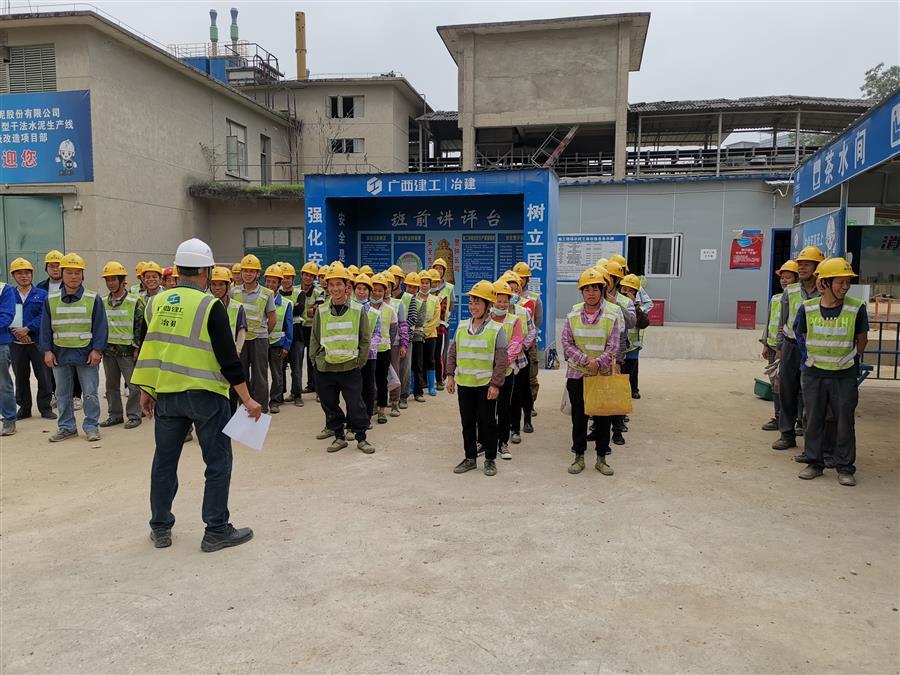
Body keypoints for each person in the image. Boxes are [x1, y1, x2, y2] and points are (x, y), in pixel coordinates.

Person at [132, 238, 261, 552]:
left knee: (164, 463)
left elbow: (152, 348)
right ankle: (216, 530)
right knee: (217, 462)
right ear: (206, 271)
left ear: (177, 269)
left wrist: (147, 390)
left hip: (167, 395)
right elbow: (229, 359)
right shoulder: (210, 306)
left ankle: (160, 527)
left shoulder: (155, 303)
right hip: (206, 396)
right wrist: (247, 399)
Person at [793, 257, 867, 487]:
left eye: (848, 282)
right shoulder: (808, 308)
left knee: (845, 422)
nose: (845, 287)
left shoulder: (857, 308)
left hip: (843, 375)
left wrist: (845, 360)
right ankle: (814, 463)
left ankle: (845, 467)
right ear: (824, 283)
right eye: (840, 282)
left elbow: (861, 341)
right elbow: (802, 336)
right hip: (815, 374)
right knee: (813, 420)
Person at [39, 253, 108, 442]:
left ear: (83, 275)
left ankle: (91, 426)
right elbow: (45, 327)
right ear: (62, 274)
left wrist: (97, 350)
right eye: (69, 272)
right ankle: (66, 427)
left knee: (90, 394)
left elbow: (101, 327)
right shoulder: (50, 299)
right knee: (62, 394)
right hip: (60, 354)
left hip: (86, 354)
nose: (74, 276)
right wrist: (47, 351)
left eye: (77, 272)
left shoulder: (93, 298)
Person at [309, 262, 376, 454]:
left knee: (356, 405)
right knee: (329, 404)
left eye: (339, 284)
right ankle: (339, 436)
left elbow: (365, 338)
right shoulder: (321, 310)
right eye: (331, 285)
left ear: (347, 286)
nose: (335, 288)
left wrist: (360, 361)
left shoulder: (358, 309)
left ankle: (361, 437)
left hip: (350, 367)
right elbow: (314, 338)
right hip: (326, 368)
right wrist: (315, 360)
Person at [562, 267, 622, 476]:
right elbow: (566, 343)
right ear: (582, 292)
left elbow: (614, 345)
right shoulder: (572, 315)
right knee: (579, 418)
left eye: (595, 289)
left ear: (602, 290)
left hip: (601, 375)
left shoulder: (612, 316)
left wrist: (599, 362)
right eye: (587, 289)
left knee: (603, 418)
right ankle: (579, 456)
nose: (591, 293)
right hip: (577, 374)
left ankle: (601, 458)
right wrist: (586, 360)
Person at [445, 280, 507, 476]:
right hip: (465, 384)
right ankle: (470, 457)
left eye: (477, 303)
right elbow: (453, 352)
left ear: (488, 306)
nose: (473, 307)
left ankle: (490, 459)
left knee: (488, 422)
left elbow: (501, 361)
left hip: (485, 385)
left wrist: (496, 385)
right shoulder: (462, 326)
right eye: (471, 302)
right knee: (467, 422)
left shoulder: (497, 329)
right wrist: (450, 375)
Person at [773, 245, 824, 451]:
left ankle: (810, 440)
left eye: (806, 264)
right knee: (787, 391)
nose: (801, 268)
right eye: (800, 264)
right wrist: (779, 347)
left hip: (813, 350)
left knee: (810, 394)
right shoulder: (790, 291)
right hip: (790, 346)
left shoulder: (824, 291)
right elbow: (782, 321)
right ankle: (786, 434)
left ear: (817, 267)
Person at [99, 261, 146, 429]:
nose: (110, 283)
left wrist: (138, 348)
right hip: (109, 351)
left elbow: (141, 327)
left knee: (133, 386)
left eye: (114, 279)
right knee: (111, 386)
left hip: (128, 351)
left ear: (122, 280)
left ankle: (134, 415)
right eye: (108, 280)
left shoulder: (135, 301)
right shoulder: (102, 301)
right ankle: (115, 415)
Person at [8, 258, 54, 421]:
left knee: (44, 376)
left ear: (32, 274)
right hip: (16, 343)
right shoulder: (9, 294)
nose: (24, 276)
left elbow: (44, 315)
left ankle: (45, 408)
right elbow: (5, 314)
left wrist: (27, 329)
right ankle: (24, 408)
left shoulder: (42, 294)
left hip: (37, 343)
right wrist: (17, 333)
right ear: (13, 275)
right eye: (19, 273)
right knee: (20, 377)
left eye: (27, 273)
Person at [233, 254, 276, 414]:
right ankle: (245, 408)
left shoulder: (267, 293)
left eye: (252, 271)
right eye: (245, 270)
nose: (248, 274)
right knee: (241, 374)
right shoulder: (233, 292)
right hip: (240, 342)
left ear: (258, 273)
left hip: (260, 340)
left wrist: (263, 332)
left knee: (260, 376)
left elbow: (272, 319)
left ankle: (262, 409)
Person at [760, 260, 799, 431]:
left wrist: (782, 348)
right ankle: (778, 417)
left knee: (792, 386)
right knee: (776, 385)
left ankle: (796, 420)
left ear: (796, 279)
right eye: (782, 278)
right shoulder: (775, 298)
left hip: (788, 348)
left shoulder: (799, 299)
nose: (784, 281)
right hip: (772, 347)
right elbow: (769, 322)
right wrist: (765, 344)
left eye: (788, 277)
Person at [491, 279, 525, 461]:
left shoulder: (514, 320)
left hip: (506, 372)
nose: (502, 304)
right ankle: (484, 440)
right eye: (498, 300)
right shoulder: (485, 318)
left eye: (505, 301)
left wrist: (501, 364)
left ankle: (502, 443)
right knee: (486, 409)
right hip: (486, 372)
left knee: (503, 408)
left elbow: (516, 343)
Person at [604, 260, 636, 446]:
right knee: (599, 389)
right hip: (599, 351)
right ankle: (598, 427)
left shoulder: (625, 300)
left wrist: (617, 304)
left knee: (616, 390)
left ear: (616, 280)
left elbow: (631, 322)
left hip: (618, 350)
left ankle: (617, 429)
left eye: (608, 278)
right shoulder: (595, 296)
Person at [502, 270, 537, 444]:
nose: (512, 293)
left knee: (521, 392)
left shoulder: (523, 311)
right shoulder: (494, 312)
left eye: (515, 290)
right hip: (502, 362)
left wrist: (522, 347)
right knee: (505, 395)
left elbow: (532, 331)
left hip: (521, 358)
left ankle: (523, 422)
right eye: (508, 290)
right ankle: (507, 426)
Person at [210, 265, 247, 413]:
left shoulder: (237, 307)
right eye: (214, 284)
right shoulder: (205, 304)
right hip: (210, 355)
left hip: (230, 355)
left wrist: (237, 350)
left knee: (232, 391)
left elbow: (242, 329)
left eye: (221, 284)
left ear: (228, 285)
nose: (217, 288)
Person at [292, 261, 325, 403]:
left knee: (314, 360)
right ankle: (300, 389)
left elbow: (318, 310)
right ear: (302, 275)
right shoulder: (294, 290)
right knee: (297, 362)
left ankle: (318, 389)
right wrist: (307, 310)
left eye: (311, 276)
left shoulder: (319, 292)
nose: (308, 278)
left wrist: (299, 309)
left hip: (313, 329)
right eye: (306, 275)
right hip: (298, 328)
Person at [262, 264, 293, 414]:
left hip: (277, 344)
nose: (270, 284)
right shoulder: (259, 299)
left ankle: (275, 401)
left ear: (279, 283)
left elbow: (289, 326)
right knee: (260, 375)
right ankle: (261, 401)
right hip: (260, 343)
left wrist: (287, 346)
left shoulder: (286, 304)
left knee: (277, 375)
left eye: (274, 282)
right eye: (268, 281)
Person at [513, 261, 542, 412]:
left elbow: (537, 321)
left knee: (531, 376)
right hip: (512, 346)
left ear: (527, 279)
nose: (520, 280)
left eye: (523, 277)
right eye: (517, 277)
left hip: (529, 344)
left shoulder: (534, 298)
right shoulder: (507, 296)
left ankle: (530, 406)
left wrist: (529, 339)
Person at [351, 273, 381, 420]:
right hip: (351, 355)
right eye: (359, 288)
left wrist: (367, 350)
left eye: (365, 289)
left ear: (369, 292)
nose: (361, 292)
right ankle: (353, 416)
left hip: (369, 356)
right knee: (352, 387)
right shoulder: (349, 309)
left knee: (368, 386)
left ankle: (367, 416)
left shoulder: (374, 312)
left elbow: (377, 334)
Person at [370, 273, 398, 424]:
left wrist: (385, 343)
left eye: (380, 290)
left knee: (382, 380)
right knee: (369, 380)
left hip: (383, 350)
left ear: (385, 291)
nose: (377, 293)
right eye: (374, 290)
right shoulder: (364, 308)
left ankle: (381, 410)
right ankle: (370, 406)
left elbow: (393, 330)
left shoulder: (389, 309)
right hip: (368, 352)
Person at [620, 273, 653, 400]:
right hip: (620, 345)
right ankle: (623, 391)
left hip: (633, 345)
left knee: (632, 368)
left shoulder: (637, 306)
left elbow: (643, 323)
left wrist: (636, 307)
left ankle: (633, 389)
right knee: (621, 369)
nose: (627, 293)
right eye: (625, 289)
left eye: (631, 291)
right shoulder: (616, 303)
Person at [383, 270, 409, 417]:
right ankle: (378, 402)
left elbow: (403, 325)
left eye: (388, 286)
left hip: (394, 344)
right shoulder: (373, 305)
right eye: (383, 286)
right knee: (377, 373)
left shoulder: (398, 303)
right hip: (378, 345)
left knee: (395, 373)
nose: (386, 289)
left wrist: (404, 344)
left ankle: (394, 403)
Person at [431, 257, 455, 391]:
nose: (438, 270)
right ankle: (428, 379)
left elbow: (451, 305)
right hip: (428, 326)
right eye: (436, 268)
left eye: (441, 269)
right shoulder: (427, 285)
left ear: (444, 271)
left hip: (441, 325)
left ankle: (440, 378)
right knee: (429, 353)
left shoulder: (449, 287)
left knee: (440, 352)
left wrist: (446, 314)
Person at [418, 269, 440, 396]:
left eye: (427, 283)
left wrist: (425, 332)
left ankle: (432, 386)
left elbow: (436, 319)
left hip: (431, 335)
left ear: (430, 284)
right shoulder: (415, 298)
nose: (424, 285)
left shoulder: (435, 299)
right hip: (417, 334)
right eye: (422, 282)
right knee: (418, 361)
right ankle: (416, 385)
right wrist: (419, 331)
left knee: (430, 360)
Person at [0, 279, 17, 436]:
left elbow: (6, 316)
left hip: (0, 344)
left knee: (3, 384)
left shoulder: (4, 289)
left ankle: (9, 419)